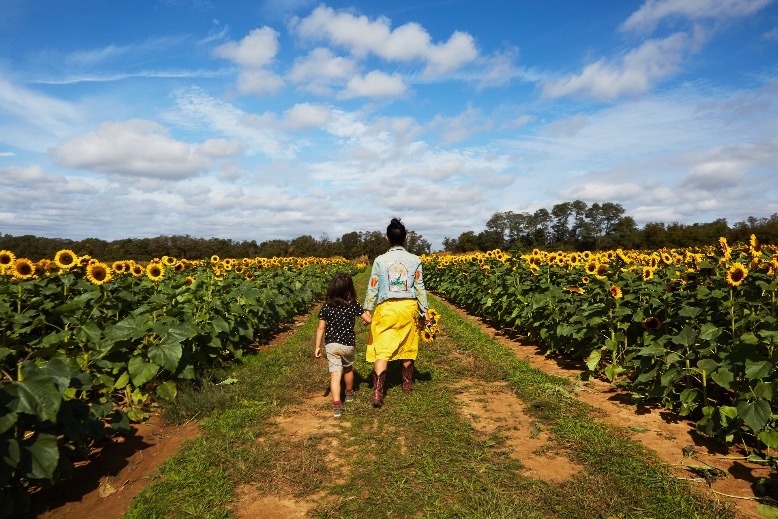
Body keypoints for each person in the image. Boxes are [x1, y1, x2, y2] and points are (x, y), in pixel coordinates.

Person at [363, 218, 429, 407]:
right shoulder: (415, 260)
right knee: (408, 343)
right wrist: (424, 311)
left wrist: (367, 309)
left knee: (382, 349)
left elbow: (373, 286)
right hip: (409, 308)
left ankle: (377, 393)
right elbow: (419, 287)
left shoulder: (380, 261)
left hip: (387, 309)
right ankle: (406, 384)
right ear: (406, 237)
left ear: (387, 238)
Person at [315, 273, 372, 417]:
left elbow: (320, 328)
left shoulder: (326, 306)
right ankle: (349, 392)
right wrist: (367, 318)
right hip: (348, 344)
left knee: (335, 375)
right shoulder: (353, 305)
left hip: (331, 345)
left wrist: (317, 346)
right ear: (350, 289)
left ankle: (336, 404)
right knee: (348, 368)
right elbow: (367, 319)